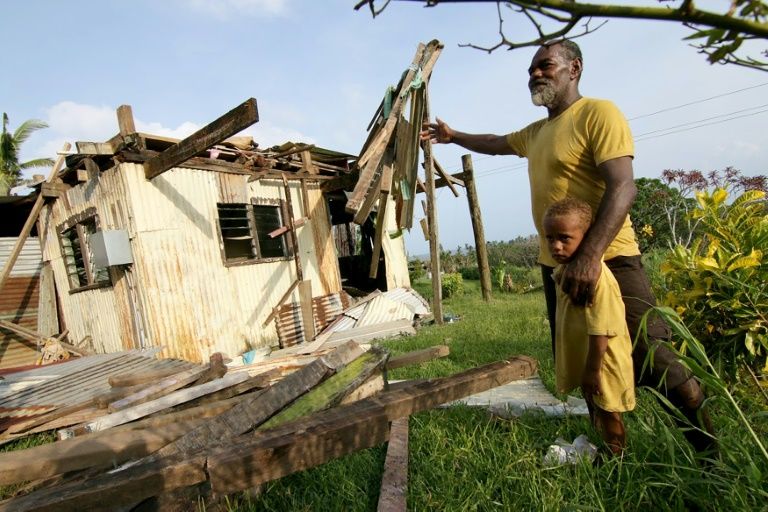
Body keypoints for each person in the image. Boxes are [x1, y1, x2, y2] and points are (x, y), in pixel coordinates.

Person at [421, 39, 716, 454]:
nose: (535, 74)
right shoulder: (537, 132)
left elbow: (623, 187)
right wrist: (453, 136)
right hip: (556, 267)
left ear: (574, 69)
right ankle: (607, 452)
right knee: (582, 362)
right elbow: (497, 141)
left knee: (654, 358)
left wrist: (591, 256)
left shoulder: (598, 113)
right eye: (531, 70)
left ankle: (709, 454)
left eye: (545, 65)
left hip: (610, 259)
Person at [544, 197, 634, 455]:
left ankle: (617, 458)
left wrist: (592, 371)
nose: (556, 246)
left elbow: (601, 330)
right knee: (597, 404)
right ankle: (602, 444)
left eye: (564, 238)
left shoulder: (597, 278)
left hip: (603, 359)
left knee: (609, 412)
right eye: (550, 238)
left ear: (587, 237)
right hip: (590, 358)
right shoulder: (566, 271)